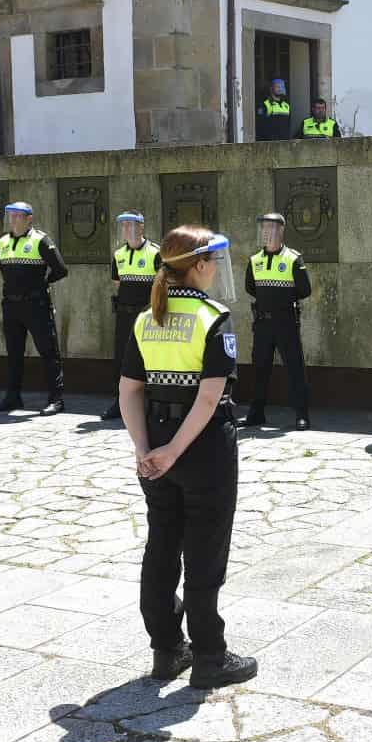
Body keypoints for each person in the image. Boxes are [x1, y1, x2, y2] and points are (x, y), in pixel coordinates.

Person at [119, 224, 257, 689]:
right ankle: (209, 656)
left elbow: (128, 390)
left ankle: (166, 649)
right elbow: (210, 396)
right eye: (213, 261)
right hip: (201, 447)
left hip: (156, 439)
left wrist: (146, 450)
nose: (216, 269)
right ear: (198, 265)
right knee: (204, 551)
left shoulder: (146, 318)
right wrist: (175, 451)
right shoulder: (212, 317)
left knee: (161, 546)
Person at [0, 202, 68, 416]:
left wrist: (43, 283)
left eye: (19, 215)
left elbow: (61, 269)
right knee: (14, 353)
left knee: (48, 352)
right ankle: (13, 397)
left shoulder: (40, 240)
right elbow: (3, 270)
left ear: (29, 218)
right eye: (11, 215)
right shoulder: (3, 242)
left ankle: (56, 399)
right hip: (11, 305)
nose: (14, 219)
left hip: (36, 305)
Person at [239, 213, 312, 431]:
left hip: (286, 322)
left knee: (295, 369)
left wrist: (282, 300)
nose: (266, 232)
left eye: (270, 228)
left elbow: (305, 290)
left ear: (281, 230)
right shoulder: (255, 260)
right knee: (260, 369)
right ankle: (256, 413)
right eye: (263, 228)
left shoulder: (292, 258)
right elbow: (250, 287)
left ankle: (302, 415)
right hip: (262, 323)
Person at [103, 211, 161, 420]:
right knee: (122, 359)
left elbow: (162, 286)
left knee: (150, 359)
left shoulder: (155, 253)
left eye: (130, 224)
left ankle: (151, 404)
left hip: (147, 317)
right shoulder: (119, 254)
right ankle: (120, 403)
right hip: (124, 316)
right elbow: (117, 283)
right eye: (123, 225)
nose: (126, 229)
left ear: (141, 226)